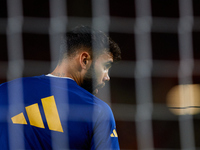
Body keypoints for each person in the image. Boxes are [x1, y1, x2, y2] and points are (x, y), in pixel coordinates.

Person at [0, 25, 121, 149]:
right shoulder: (98, 111)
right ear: (84, 60)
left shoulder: (4, 91)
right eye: (106, 66)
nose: (107, 77)